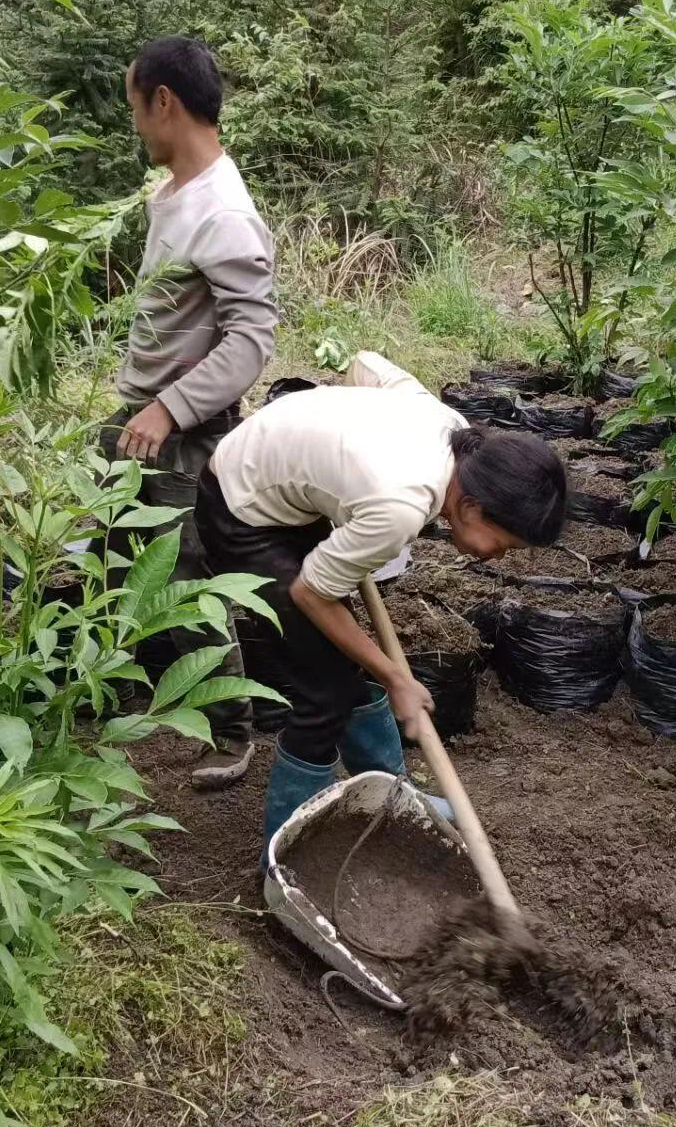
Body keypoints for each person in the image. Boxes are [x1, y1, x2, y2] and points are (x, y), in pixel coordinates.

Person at [195, 351, 568, 847]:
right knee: (321, 695)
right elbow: (311, 591)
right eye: (503, 543)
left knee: (340, 664)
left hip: (288, 497)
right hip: (241, 510)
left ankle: (394, 797)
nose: (497, 557)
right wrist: (398, 678)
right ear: (473, 507)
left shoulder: (450, 428)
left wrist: (334, 455)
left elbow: (365, 363)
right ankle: (284, 851)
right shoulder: (399, 507)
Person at [106, 35, 277, 789]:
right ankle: (163, 700)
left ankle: (231, 733)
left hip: (182, 432)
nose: (136, 126)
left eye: (136, 109)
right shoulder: (172, 194)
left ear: (165, 103)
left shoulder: (225, 214)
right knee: (125, 564)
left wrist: (170, 411)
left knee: (182, 579)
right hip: (141, 415)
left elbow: (250, 342)